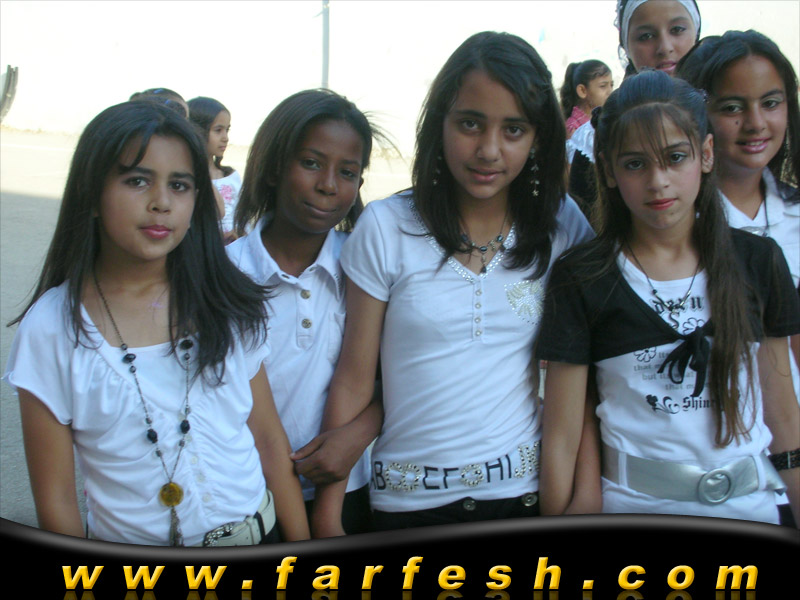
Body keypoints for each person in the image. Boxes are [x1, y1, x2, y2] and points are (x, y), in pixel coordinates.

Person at [308, 31, 593, 536]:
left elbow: (587, 371)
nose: (489, 150)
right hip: (406, 506)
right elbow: (354, 377)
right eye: (470, 124)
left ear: (538, 138)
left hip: (522, 497)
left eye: (513, 129)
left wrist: (582, 497)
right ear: (440, 122)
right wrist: (329, 517)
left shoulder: (560, 222)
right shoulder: (386, 226)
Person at [3, 101, 310, 546]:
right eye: (137, 180)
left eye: (180, 185)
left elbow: (267, 438)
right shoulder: (53, 328)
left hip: (261, 535)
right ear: (91, 194)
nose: (161, 202)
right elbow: (58, 502)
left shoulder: (224, 299)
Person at [537, 70, 800, 526]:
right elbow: (562, 436)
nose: (658, 181)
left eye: (675, 158)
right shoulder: (583, 276)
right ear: (608, 170)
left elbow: (784, 416)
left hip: (752, 513)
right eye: (635, 164)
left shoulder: (758, 260)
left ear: (706, 154)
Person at [227, 88, 388, 535]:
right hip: (248, 499)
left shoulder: (366, 269)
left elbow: (401, 375)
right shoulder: (224, 274)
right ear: (274, 166)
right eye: (311, 163)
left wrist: (357, 434)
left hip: (347, 490)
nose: (328, 185)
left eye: (348, 172)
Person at [677, 29, 800, 526]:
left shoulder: (794, 215)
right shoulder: (672, 233)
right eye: (732, 107)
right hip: (719, 476)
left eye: (771, 103)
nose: (755, 123)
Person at [568, 0, 701, 214]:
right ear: (626, 46)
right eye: (646, 36)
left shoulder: (726, 122)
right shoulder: (595, 139)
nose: (665, 47)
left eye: (677, 30)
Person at [188, 96, 241, 243]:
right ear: (198, 131)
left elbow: (243, 216)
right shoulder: (186, 178)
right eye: (218, 130)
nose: (225, 138)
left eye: (227, 130)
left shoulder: (231, 176)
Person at [560, 60, 613, 139]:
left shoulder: (605, 119)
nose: (610, 92)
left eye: (611, 85)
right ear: (582, 91)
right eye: (603, 86)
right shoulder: (573, 130)